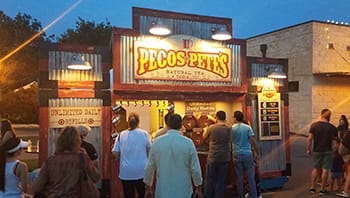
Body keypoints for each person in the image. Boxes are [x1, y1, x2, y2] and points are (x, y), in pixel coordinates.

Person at [143, 113, 203, 198]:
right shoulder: (188, 143)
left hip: (163, 191)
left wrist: (148, 187)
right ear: (181, 125)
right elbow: (195, 168)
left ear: (167, 124)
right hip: (183, 190)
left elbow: (149, 167)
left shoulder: (157, 142)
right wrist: (198, 187)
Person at [32, 126, 100, 197]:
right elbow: (96, 177)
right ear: (77, 141)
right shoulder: (82, 159)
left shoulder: (50, 161)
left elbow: (37, 187)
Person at [112, 112, 151, 198]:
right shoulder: (144, 134)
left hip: (126, 171)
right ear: (138, 122)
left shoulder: (121, 135)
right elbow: (149, 149)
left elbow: (115, 153)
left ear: (128, 122)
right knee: (142, 194)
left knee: (128, 195)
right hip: (141, 170)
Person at [307, 108, 338, 196]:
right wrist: (335, 150)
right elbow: (335, 141)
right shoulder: (332, 128)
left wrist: (308, 149)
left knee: (315, 168)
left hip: (317, 150)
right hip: (328, 151)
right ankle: (322, 189)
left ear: (321, 115)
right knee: (325, 170)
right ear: (329, 116)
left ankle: (313, 187)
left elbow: (309, 138)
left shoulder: (314, 125)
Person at [203, 110, 231, 198]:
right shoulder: (229, 128)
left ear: (217, 117)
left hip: (212, 156)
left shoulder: (211, 128)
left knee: (209, 179)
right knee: (221, 180)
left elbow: (204, 137)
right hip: (224, 157)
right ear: (225, 118)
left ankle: (207, 196)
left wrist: (205, 130)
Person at [232, 110, 258, 198]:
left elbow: (230, 140)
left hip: (236, 154)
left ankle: (241, 195)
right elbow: (252, 140)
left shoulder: (232, 128)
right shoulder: (247, 128)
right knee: (251, 177)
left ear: (235, 118)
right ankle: (253, 196)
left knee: (239, 177)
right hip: (247, 154)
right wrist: (255, 151)